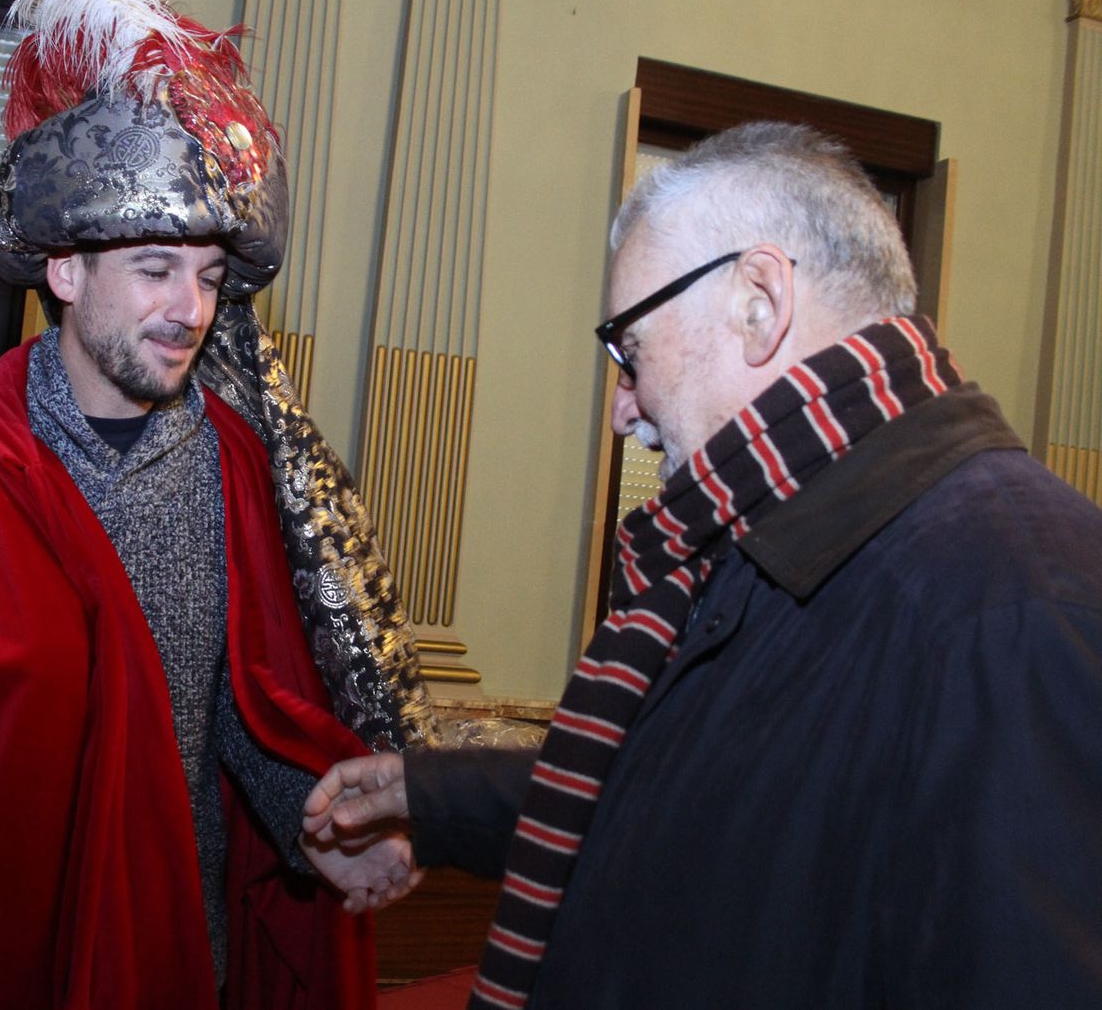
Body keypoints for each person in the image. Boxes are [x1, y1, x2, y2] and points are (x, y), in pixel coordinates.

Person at [304, 121, 1102, 1008]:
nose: (623, 407)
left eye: (629, 351)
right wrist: (428, 795)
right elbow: (702, 796)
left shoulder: (1018, 601)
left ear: (759, 301)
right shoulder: (775, 527)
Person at [0, 0, 433, 1010]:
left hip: (171, 946)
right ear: (63, 272)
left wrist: (313, 826)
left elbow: (240, 705)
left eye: (206, 276)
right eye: (154, 267)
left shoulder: (229, 458)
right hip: (1, 953)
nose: (187, 307)